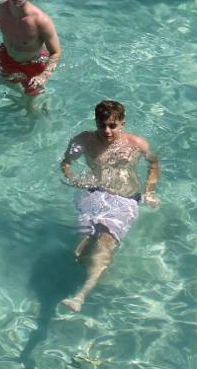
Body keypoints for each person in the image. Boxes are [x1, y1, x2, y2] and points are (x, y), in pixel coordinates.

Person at [59, 100, 160, 313]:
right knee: (81, 250)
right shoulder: (83, 140)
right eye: (102, 125)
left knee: (105, 242)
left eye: (112, 126)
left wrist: (150, 192)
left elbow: (154, 162)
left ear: (122, 123)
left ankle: (81, 296)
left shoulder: (136, 144)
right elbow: (66, 162)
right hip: (93, 195)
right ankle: (88, 275)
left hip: (126, 199)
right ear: (95, 121)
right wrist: (73, 178)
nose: (106, 130)